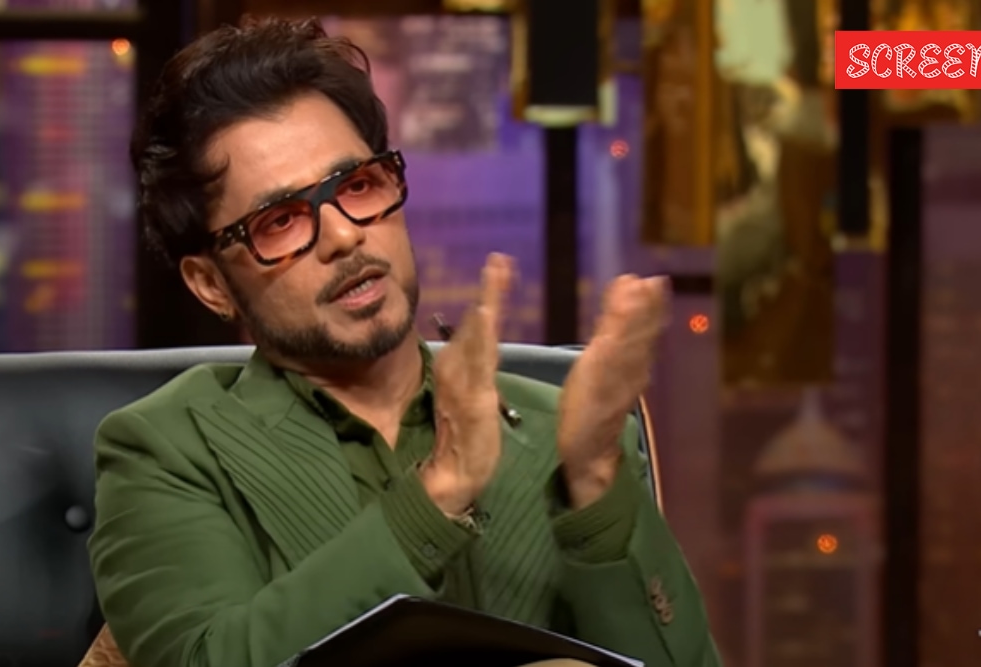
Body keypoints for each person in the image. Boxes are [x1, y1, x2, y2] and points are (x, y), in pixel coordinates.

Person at [87, 15, 721, 667]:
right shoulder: (167, 448)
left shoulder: (563, 431)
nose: (344, 236)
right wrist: (437, 494)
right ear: (211, 283)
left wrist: (592, 480)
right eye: (280, 221)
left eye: (357, 186)